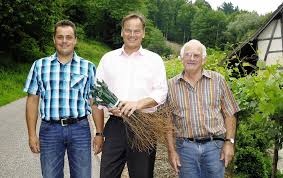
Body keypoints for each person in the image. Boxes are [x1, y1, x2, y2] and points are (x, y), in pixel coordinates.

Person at [23, 20, 104, 178]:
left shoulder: (88, 67)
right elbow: (32, 101)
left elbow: (95, 103)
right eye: (60, 37)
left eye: (69, 37)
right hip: (50, 130)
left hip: (80, 129)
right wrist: (32, 135)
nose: (64, 41)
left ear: (75, 40)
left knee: (82, 175)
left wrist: (99, 133)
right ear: (54, 39)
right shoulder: (39, 66)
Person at [95, 13, 168, 178]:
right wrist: (109, 105)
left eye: (137, 31)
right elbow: (97, 91)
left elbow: (161, 92)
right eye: (128, 30)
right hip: (115, 125)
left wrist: (138, 104)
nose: (132, 34)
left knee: (142, 174)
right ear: (122, 32)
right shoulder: (108, 59)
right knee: (107, 174)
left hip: (145, 125)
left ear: (143, 33)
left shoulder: (154, 60)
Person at [166, 39, 240, 178]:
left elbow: (230, 113)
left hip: (215, 147)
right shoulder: (170, 85)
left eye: (196, 55)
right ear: (181, 58)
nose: (191, 58)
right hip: (185, 148)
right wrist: (171, 151)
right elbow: (167, 122)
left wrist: (229, 143)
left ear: (203, 60)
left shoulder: (218, 80)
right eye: (187, 55)